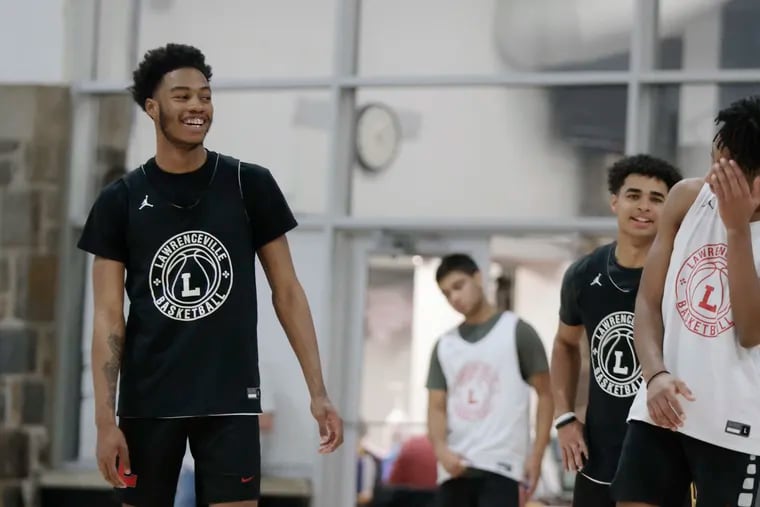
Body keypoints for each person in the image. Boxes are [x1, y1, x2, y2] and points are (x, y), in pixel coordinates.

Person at [78, 43, 343, 507]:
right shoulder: (119, 201)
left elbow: (288, 292)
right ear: (153, 108)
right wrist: (105, 420)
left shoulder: (249, 185)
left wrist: (317, 392)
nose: (197, 106)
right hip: (148, 403)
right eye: (182, 96)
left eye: (205, 95)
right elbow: (107, 316)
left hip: (230, 400)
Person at [611, 96, 760, 506]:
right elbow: (647, 302)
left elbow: (751, 332)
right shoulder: (686, 199)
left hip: (736, 423)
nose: (712, 175)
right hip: (660, 406)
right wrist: (655, 375)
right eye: (714, 159)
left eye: (726, 169)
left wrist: (737, 231)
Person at [550, 155, 683, 507]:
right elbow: (565, 344)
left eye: (657, 199)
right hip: (599, 453)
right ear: (614, 202)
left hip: (665, 452)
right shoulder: (583, 274)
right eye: (634, 195)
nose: (644, 207)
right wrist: (564, 417)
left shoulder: (681, 275)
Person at [426, 254, 553, 507]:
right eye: (446, 293)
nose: (454, 298)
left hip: (501, 468)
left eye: (458, 286)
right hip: (455, 469)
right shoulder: (445, 345)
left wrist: (536, 456)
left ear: (478, 278)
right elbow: (436, 406)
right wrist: (441, 451)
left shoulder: (518, 331)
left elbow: (546, 395)